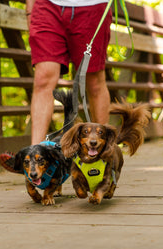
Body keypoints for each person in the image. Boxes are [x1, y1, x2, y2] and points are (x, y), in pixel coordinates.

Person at [26, 0, 112, 145]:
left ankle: (103, 151)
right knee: (43, 78)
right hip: (47, 6)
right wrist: (30, 8)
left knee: (93, 81)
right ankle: (35, 155)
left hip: (92, 7)